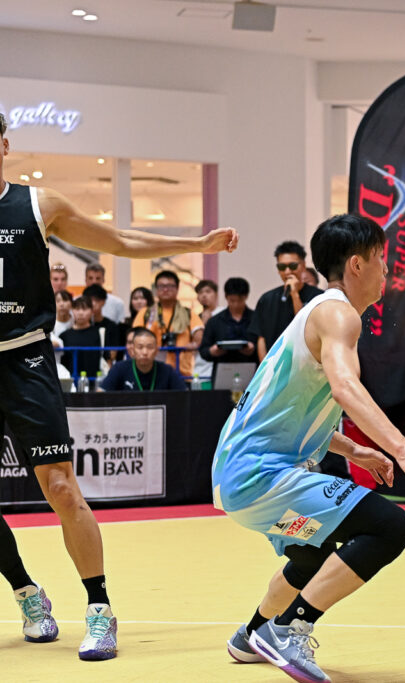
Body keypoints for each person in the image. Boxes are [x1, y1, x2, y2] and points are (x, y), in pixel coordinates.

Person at [0, 109, 238, 660]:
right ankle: (27, 592)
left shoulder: (38, 204)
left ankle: (100, 609)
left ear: (5, 145)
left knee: (61, 488)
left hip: (26, 359)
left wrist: (195, 242)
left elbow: (119, 238)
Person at [212, 215, 405, 682]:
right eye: (380, 259)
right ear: (356, 264)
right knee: (390, 527)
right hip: (259, 476)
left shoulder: (318, 315)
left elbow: (292, 413)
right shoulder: (338, 314)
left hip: (237, 478)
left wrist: (355, 451)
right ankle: (289, 629)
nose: (387, 270)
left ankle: (253, 634)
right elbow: (346, 388)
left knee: (314, 551)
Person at [248, 240, 323, 361]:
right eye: (282, 267)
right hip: (274, 364)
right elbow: (261, 338)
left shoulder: (318, 297)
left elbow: (304, 327)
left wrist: (294, 294)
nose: (287, 271)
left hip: (306, 364)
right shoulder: (266, 299)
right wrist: (265, 366)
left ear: (303, 266)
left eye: (293, 266)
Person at [132, 271, 204, 377]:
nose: (165, 290)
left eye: (170, 286)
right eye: (161, 286)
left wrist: (191, 346)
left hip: (181, 373)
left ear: (177, 288)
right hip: (150, 373)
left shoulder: (188, 314)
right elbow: (134, 338)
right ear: (156, 289)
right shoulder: (146, 313)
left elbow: (199, 338)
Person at [100, 328, 187, 392]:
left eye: (150, 347)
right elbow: (101, 394)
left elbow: (184, 395)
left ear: (156, 351)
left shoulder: (167, 371)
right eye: (140, 347)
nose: (145, 352)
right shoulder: (119, 369)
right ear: (133, 350)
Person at [199, 277, 257, 368]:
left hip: (251, 368)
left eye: (240, 300)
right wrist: (213, 351)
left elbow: (267, 347)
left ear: (246, 296)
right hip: (223, 369)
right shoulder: (215, 321)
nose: (236, 304)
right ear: (226, 297)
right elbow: (203, 351)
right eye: (232, 301)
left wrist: (253, 349)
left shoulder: (256, 319)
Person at [59, 296, 102, 381]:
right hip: (70, 381)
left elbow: (106, 358)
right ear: (72, 311)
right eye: (77, 309)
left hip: (94, 381)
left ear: (92, 311)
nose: (80, 313)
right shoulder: (64, 336)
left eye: (84, 309)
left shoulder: (99, 333)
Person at [82, 284, 123, 362]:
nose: (93, 303)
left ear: (103, 302)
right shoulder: (79, 325)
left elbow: (113, 354)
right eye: (90, 300)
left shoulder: (111, 326)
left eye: (97, 300)